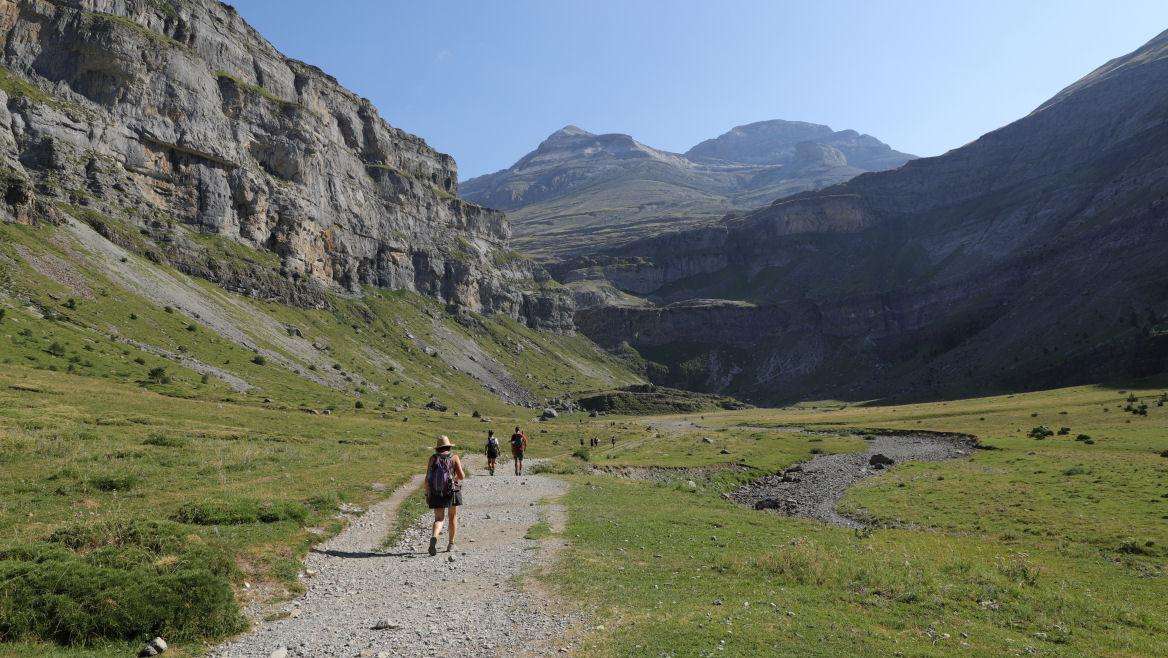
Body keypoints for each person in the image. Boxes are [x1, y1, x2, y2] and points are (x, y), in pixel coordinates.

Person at [424, 435, 465, 556]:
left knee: (439, 519)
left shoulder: (433, 458)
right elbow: (461, 476)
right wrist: (454, 479)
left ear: (437, 448)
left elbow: (427, 479)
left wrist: (427, 493)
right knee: (452, 517)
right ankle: (451, 544)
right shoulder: (454, 457)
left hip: (436, 492)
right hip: (452, 492)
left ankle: (434, 536)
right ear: (449, 446)